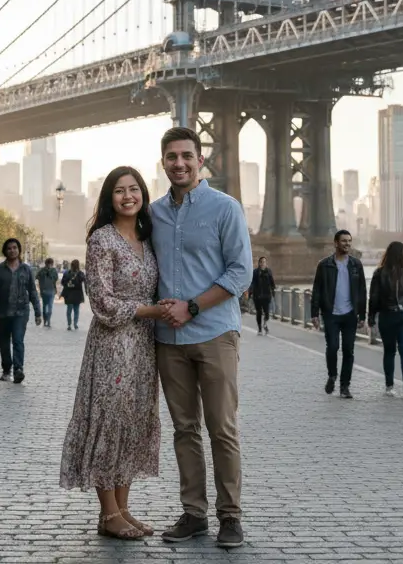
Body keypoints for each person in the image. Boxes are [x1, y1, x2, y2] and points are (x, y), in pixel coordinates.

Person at [149, 126, 253, 549]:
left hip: (214, 333)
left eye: (187, 156)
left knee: (222, 430)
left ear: (200, 160)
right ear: (163, 163)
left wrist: (191, 307)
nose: (179, 163)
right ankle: (194, 514)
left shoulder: (225, 208)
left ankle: (230, 518)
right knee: (184, 429)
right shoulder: (152, 213)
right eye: (172, 157)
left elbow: (240, 272)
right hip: (168, 341)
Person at [59, 167, 168, 540]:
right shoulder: (102, 240)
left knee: (134, 422)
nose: (127, 196)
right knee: (109, 421)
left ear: (143, 195)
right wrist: (151, 310)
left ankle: (123, 509)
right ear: (109, 199)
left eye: (134, 189)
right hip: (112, 344)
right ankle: (107, 514)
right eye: (119, 191)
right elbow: (102, 302)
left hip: (142, 346)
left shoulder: (147, 238)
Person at [309, 230, 368, 399]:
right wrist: (314, 313)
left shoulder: (356, 265)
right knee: (333, 347)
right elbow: (317, 290)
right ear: (336, 243)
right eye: (343, 241)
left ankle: (345, 386)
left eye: (349, 241)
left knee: (349, 350)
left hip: (350, 314)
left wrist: (362, 315)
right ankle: (332, 375)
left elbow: (362, 291)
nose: (347, 244)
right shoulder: (324, 265)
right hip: (331, 314)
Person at [367, 240, 403, 400]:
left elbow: (373, 297)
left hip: (388, 314)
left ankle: (390, 387)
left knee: (389, 351)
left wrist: (371, 316)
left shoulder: (379, 273)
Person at [0, 238, 42, 384]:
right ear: (5, 251)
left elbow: (32, 291)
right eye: (9, 248)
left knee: (18, 340)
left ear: (19, 250)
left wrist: (38, 312)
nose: (12, 250)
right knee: (4, 343)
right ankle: (6, 370)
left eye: (15, 248)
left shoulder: (26, 270)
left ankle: (18, 369)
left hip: (21, 312)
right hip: (2, 312)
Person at [249, 257, 276, 335]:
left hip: (266, 296)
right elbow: (252, 283)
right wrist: (250, 294)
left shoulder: (268, 271)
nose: (263, 263)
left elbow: (272, 283)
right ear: (259, 263)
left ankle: (265, 323)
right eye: (261, 262)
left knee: (267, 312)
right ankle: (260, 328)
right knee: (259, 312)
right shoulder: (255, 272)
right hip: (257, 296)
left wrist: (273, 292)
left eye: (264, 262)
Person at [60, 259, 86, 330]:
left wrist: (67, 283)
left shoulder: (67, 273)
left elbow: (62, 282)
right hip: (77, 294)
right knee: (76, 310)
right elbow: (84, 280)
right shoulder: (80, 273)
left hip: (69, 294)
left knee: (69, 310)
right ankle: (75, 323)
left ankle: (69, 324)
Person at [36, 257, 60, 328]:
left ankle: (45, 320)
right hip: (51, 290)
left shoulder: (41, 270)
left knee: (45, 306)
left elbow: (36, 277)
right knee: (49, 306)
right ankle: (48, 321)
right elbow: (56, 279)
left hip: (44, 290)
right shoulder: (53, 270)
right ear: (52, 264)